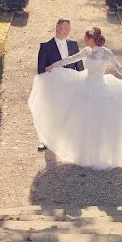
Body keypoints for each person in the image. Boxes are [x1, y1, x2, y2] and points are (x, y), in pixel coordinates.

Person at [28, 26, 122, 169]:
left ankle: (101, 155)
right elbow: (70, 59)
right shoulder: (86, 51)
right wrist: (52, 66)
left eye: (86, 38)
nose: (84, 40)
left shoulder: (106, 52)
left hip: (101, 90)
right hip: (85, 88)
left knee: (101, 122)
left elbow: (119, 68)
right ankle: (84, 154)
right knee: (84, 122)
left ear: (92, 39)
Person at [36, 18, 84, 151]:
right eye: (64, 28)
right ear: (57, 27)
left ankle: (71, 141)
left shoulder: (73, 45)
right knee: (51, 113)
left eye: (69, 29)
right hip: (53, 86)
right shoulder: (45, 46)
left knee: (71, 112)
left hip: (71, 85)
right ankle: (46, 141)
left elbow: (79, 66)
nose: (67, 31)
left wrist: (83, 82)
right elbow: (41, 70)